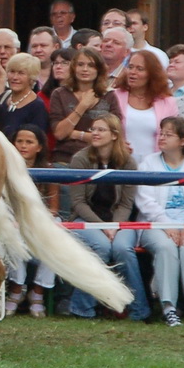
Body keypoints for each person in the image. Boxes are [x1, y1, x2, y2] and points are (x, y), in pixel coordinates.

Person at [133, 116, 184, 327]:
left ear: (183, 141)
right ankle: (169, 308)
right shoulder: (148, 163)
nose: (162, 138)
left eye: (168, 135)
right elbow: (145, 200)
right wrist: (165, 224)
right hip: (155, 224)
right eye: (161, 133)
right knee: (165, 247)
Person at [66, 113, 147, 321]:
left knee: (123, 249)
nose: (95, 133)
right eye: (93, 129)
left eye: (101, 130)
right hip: (86, 220)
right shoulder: (80, 159)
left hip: (119, 221)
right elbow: (78, 203)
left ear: (114, 135)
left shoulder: (128, 162)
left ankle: (139, 310)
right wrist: (102, 226)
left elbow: (126, 203)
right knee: (101, 247)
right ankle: (82, 308)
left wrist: (114, 225)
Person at [7, 126, 60, 316]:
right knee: (11, 234)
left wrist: (36, 220)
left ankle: (38, 292)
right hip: (12, 219)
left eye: (29, 142)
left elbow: (53, 208)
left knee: (56, 235)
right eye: (19, 141)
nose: (23, 146)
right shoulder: (5, 167)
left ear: (39, 147)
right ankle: (16, 289)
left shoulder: (49, 170)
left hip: (39, 219)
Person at [110, 48, 176, 159]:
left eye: (140, 69)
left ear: (152, 74)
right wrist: (116, 145)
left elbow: (174, 136)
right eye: (130, 67)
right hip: (120, 162)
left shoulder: (168, 102)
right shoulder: (113, 96)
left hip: (156, 163)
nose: (132, 72)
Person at [1, 53, 47, 144]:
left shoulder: (37, 106)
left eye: (21, 73)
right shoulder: (3, 97)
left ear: (31, 78)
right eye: (12, 72)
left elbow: (36, 141)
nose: (15, 77)